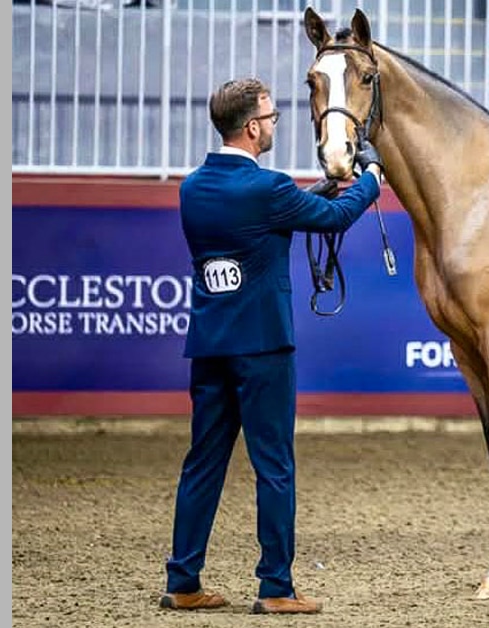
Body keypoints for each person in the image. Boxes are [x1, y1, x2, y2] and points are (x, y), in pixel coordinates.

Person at [158, 77, 383, 615]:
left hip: (211, 343)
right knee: (275, 466)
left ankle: (183, 579)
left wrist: (324, 188)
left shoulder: (194, 186)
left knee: (203, 464)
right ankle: (276, 586)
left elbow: (277, 212)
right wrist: (371, 179)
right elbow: (333, 220)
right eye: (272, 117)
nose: (276, 123)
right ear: (254, 126)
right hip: (263, 346)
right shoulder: (268, 188)